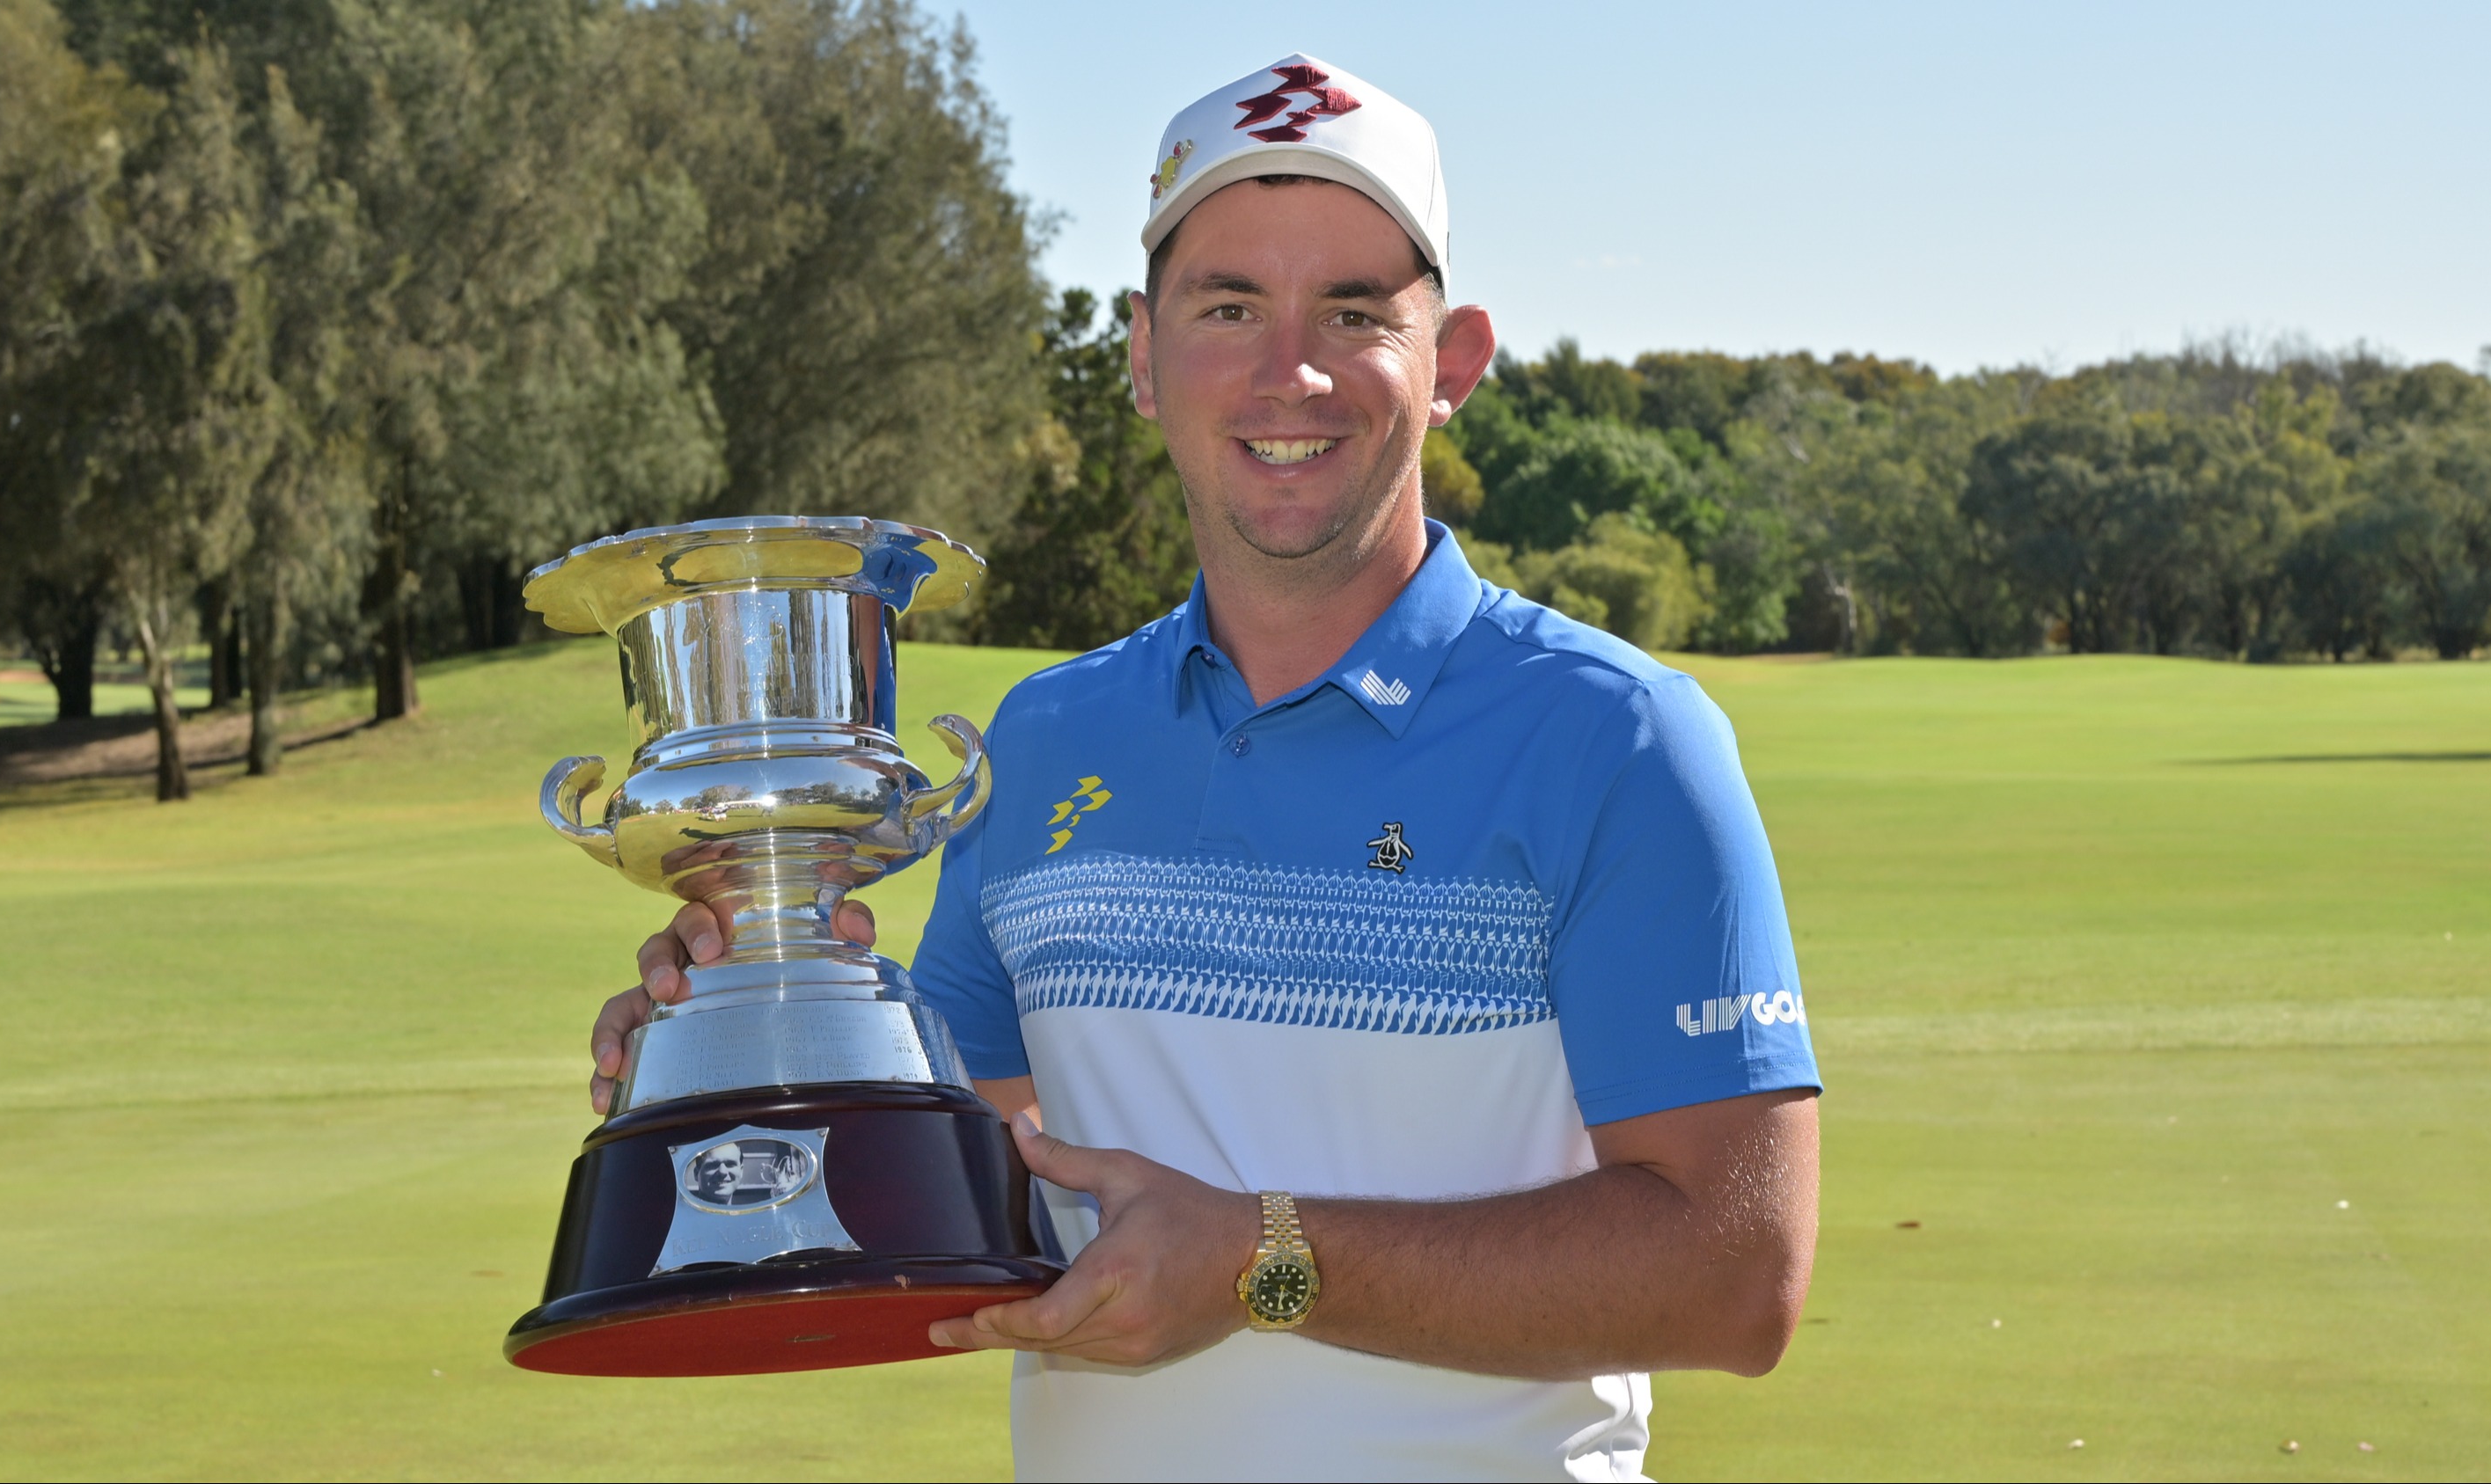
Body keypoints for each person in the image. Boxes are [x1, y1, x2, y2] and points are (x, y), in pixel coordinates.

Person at [593, 53, 1821, 1481]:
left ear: (1453, 361)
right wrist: (740, 1038)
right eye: (1228, 306)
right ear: (1139, 353)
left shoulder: (1616, 735)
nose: (1287, 370)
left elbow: (1737, 1277)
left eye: (1352, 312)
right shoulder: (1043, 742)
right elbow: (971, 1184)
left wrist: (1261, 1262)